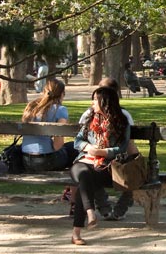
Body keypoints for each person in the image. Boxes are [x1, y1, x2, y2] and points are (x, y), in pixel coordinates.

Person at [69, 87, 132, 245]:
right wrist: (88, 148)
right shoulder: (90, 119)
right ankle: (90, 212)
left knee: (85, 181)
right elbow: (77, 141)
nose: (92, 103)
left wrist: (104, 152)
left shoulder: (121, 122)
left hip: (105, 166)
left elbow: (122, 148)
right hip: (84, 160)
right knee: (83, 174)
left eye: (95, 99)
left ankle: (77, 232)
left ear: (105, 102)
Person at [77, 77, 137, 221]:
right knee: (91, 170)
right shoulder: (121, 115)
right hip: (99, 160)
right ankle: (115, 208)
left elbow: (124, 145)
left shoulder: (90, 114)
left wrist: (103, 152)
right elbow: (130, 146)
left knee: (92, 171)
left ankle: (106, 207)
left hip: (110, 159)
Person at [20, 79, 78, 172]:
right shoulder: (60, 110)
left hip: (26, 160)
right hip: (46, 161)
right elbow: (57, 146)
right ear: (62, 94)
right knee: (74, 147)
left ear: (44, 91)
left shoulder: (31, 107)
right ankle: (74, 184)